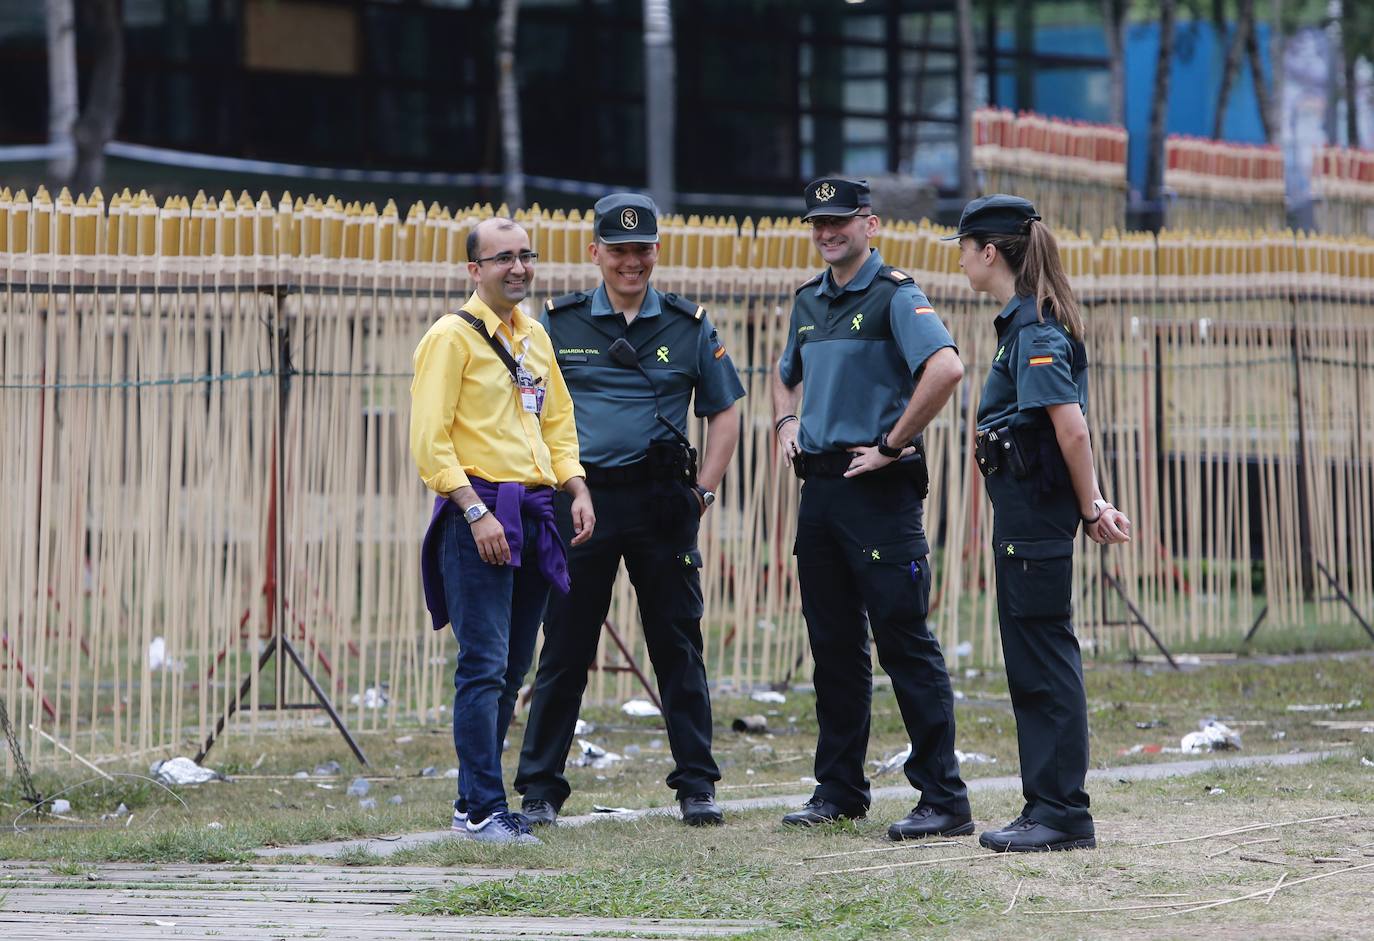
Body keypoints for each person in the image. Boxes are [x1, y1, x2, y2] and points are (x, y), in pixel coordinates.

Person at [514, 193, 745, 828]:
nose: (631, 262)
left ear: (656, 252)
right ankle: (538, 790)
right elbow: (526, 409)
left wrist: (705, 488)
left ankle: (697, 786)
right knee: (564, 644)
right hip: (582, 501)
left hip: (662, 502)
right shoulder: (556, 325)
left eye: (641, 249)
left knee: (677, 642)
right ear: (596, 254)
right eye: (618, 250)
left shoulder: (688, 324)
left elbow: (725, 409)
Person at [770, 177, 972, 840]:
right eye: (818, 223)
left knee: (904, 642)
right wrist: (786, 421)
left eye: (841, 222)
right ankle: (839, 789)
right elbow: (784, 371)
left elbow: (945, 367)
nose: (828, 233)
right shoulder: (807, 300)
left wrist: (893, 442)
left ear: (870, 224)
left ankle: (943, 797)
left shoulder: (895, 295)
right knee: (833, 646)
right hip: (821, 489)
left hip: (877, 491)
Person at [953, 193, 1131, 853]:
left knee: (1043, 661)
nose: (963, 262)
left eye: (965, 249)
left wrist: (1092, 507)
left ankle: (1061, 811)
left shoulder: (1034, 332)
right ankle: (1045, 804)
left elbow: (1071, 428)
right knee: (1031, 659)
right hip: (1025, 517)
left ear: (989, 251)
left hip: (1035, 519)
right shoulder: (1023, 325)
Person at [411, 217, 595, 845]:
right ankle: (486, 808)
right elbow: (429, 443)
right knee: (483, 665)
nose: (518, 268)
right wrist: (473, 510)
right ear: (474, 270)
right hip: (481, 512)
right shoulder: (450, 339)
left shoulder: (536, 338)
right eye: (502, 259)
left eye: (526, 256)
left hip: (536, 512)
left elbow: (558, 425)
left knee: (514, 667)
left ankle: (473, 803)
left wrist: (576, 487)